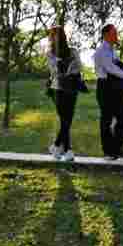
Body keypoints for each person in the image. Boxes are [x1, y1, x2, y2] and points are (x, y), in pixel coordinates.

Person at [92, 24, 123, 160]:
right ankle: (109, 152)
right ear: (106, 35)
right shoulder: (101, 51)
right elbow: (110, 68)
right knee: (106, 120)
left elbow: (115, 66)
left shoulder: (112, 50)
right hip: (105, 88)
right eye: (114, 33)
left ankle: (117, 148)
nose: (117, 35)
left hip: (115, 88)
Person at [46, 26, 85, 162]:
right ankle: (66, 149)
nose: (55, 37)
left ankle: (59, 147)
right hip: (57, 88)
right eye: (53, 35)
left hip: (72, 87)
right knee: (65, 119)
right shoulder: (50, 53)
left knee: (68, 118)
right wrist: (65, 68)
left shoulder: (72, 51)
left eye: (57, 35)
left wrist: (67, 68)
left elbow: (79, 66)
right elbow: (54, 70)